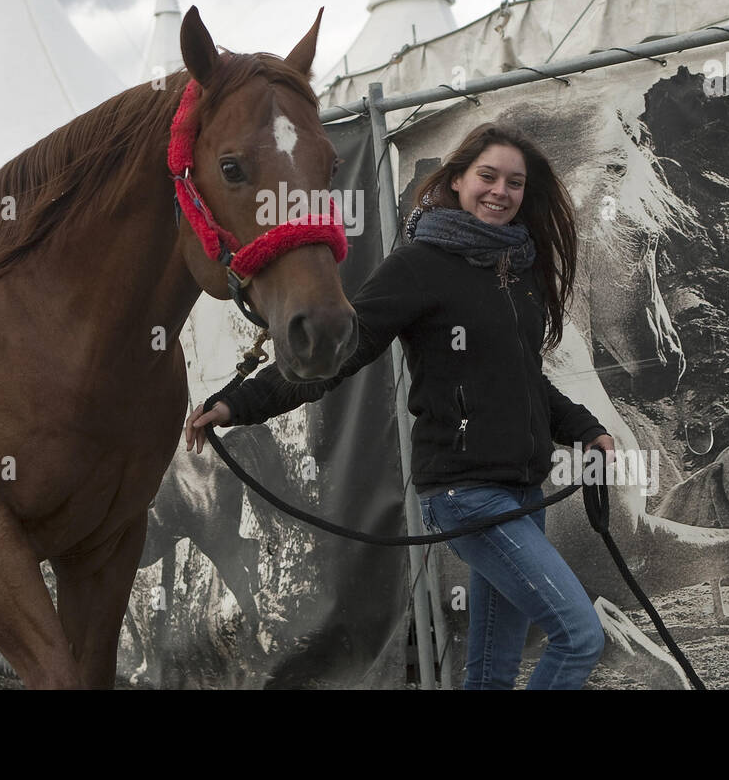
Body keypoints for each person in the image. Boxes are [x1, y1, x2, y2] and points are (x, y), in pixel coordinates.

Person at [184, 121, 616, 689]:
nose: (500, 192)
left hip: (523, 497)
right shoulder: (420, 265)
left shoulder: (519, 272)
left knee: (492, 671)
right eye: (487, 176)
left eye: (514, 183)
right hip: (468, 496)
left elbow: (525, 381)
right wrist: (239, 402)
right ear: (458, 180)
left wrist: (586, 430)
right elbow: (337, 354)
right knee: (579, 636)